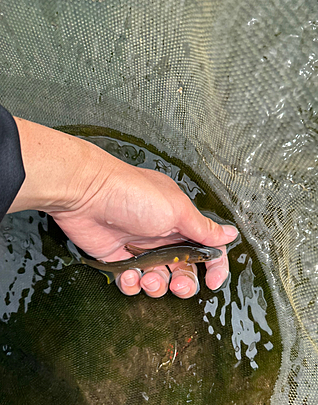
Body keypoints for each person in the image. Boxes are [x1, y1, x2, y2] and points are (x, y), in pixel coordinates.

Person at [0, 105, 238, 299]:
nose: (207, 256)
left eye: (204, 256)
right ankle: (83, 260)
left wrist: (93, 190)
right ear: (193, 258)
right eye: (205, 256)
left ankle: (84, 260)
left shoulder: (185, 252)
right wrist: (93, 189)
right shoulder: (185, 253)